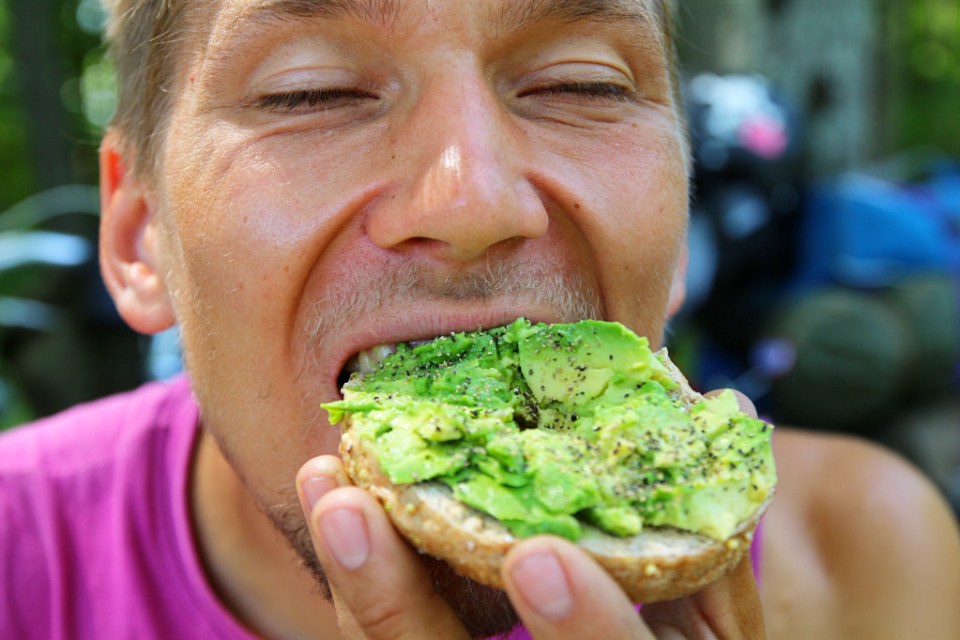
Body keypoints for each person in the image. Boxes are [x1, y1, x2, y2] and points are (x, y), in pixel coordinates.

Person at [2, 0, 959, 638]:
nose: (475, 204)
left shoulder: (864, 554)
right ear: (141, 237)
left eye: (581, 83)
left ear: (676, 232)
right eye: (312, 92)